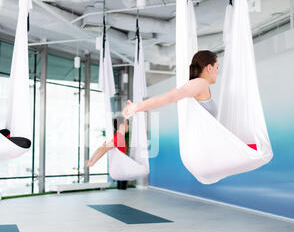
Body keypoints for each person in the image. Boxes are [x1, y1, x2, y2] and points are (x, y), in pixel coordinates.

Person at [123, 50, 257, 151]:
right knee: (256, 149)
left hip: (209, 143)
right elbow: (169, 97)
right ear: (209, 68)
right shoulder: (200, 83)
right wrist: (137, 107)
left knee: (254, 147)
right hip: (206, 146)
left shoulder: (199, 86)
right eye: (217, 67)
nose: (217, 71)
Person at [85, 115, 129, 189]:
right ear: (122, 125)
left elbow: (101, 148)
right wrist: (92, 162)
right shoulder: (119, 138)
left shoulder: (116, 136)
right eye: (127, 124)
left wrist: (91, 160)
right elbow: (103, 150)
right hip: (119, 168)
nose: (128, 126)